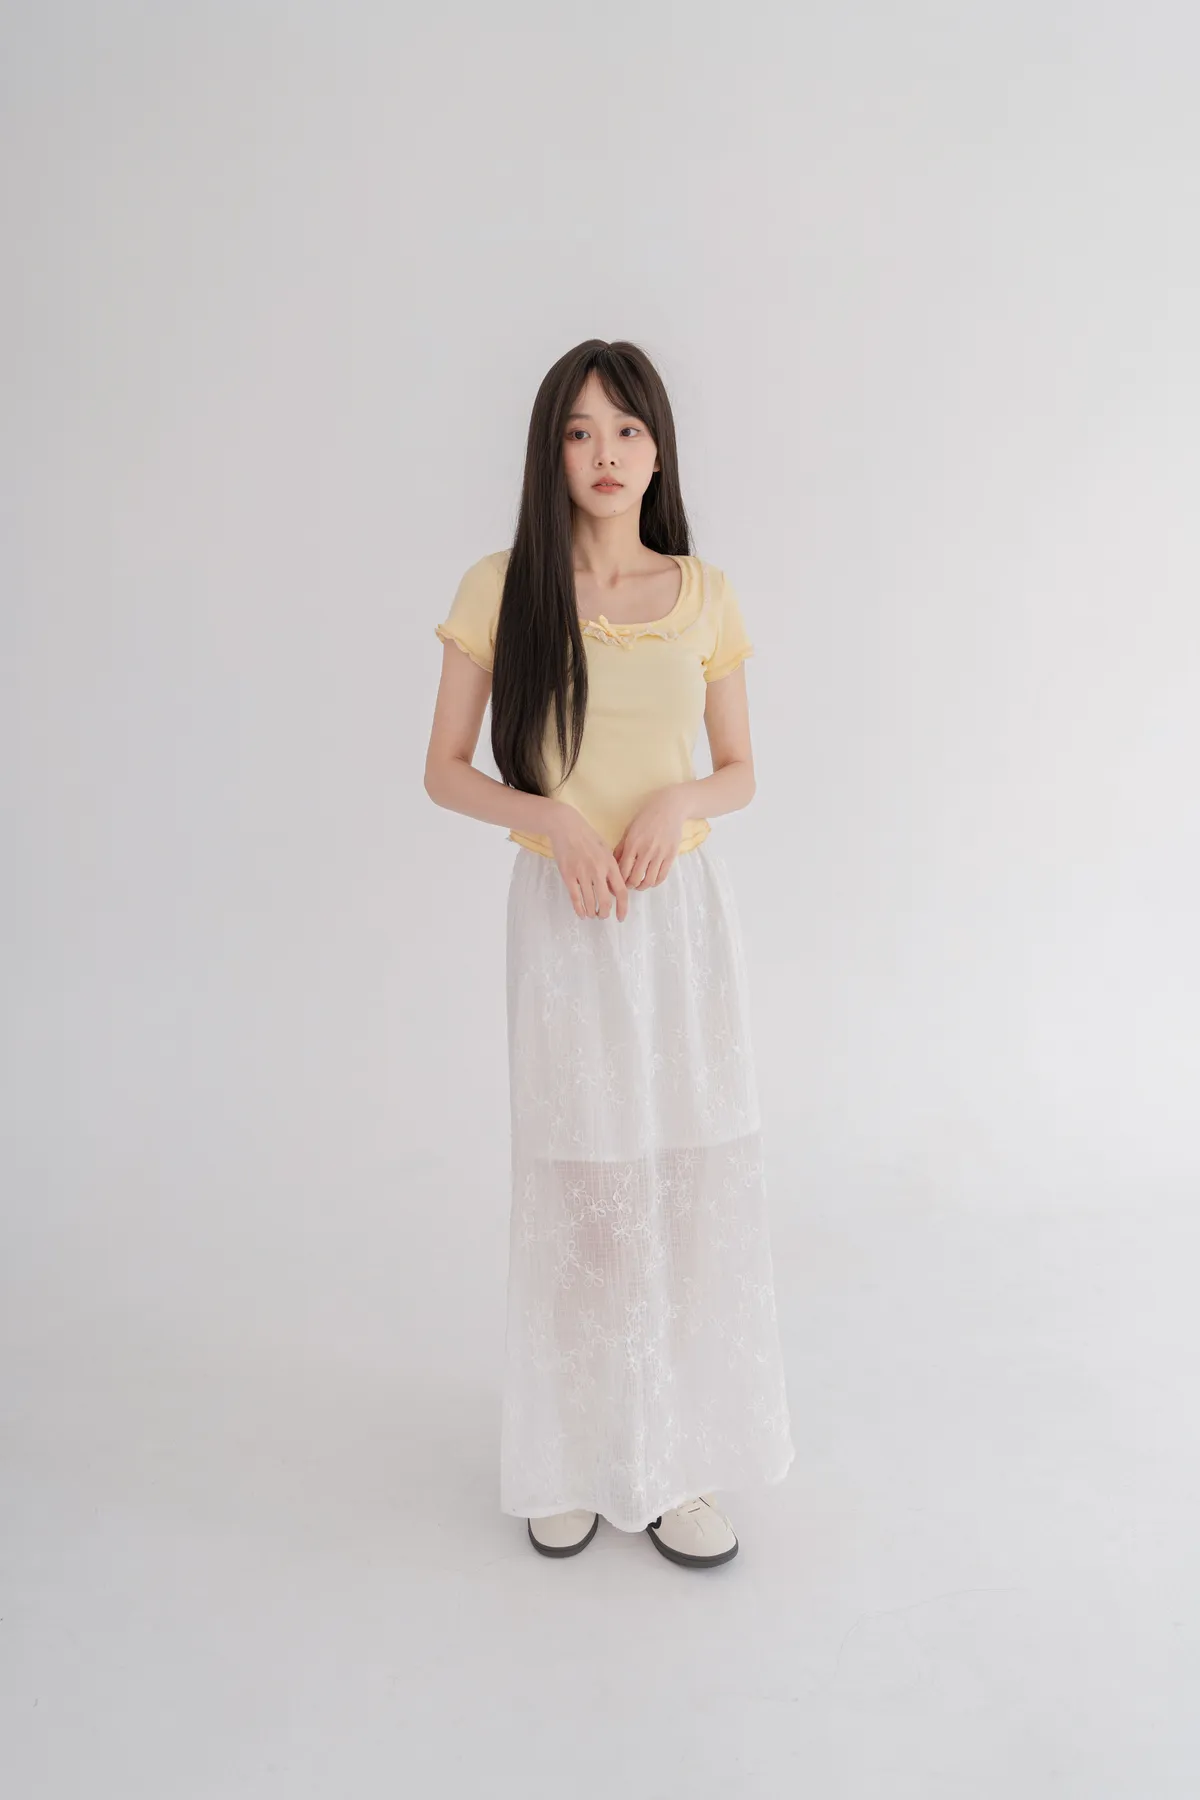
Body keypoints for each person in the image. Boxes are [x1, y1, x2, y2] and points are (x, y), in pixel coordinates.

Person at [424, 339, 794, 1569]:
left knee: (683, 1190)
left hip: (681, 927)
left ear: (659, 449)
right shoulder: (504, 586)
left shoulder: (704, 591)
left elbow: (741, 771)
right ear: (551, 450)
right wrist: (554, 819)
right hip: (567, 925)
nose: (606, 453)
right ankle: (576, 1453)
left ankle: (678, 1458)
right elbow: (444, 771)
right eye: (580, 431)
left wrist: (679, 801)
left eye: (628, 429)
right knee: (584, 1192)